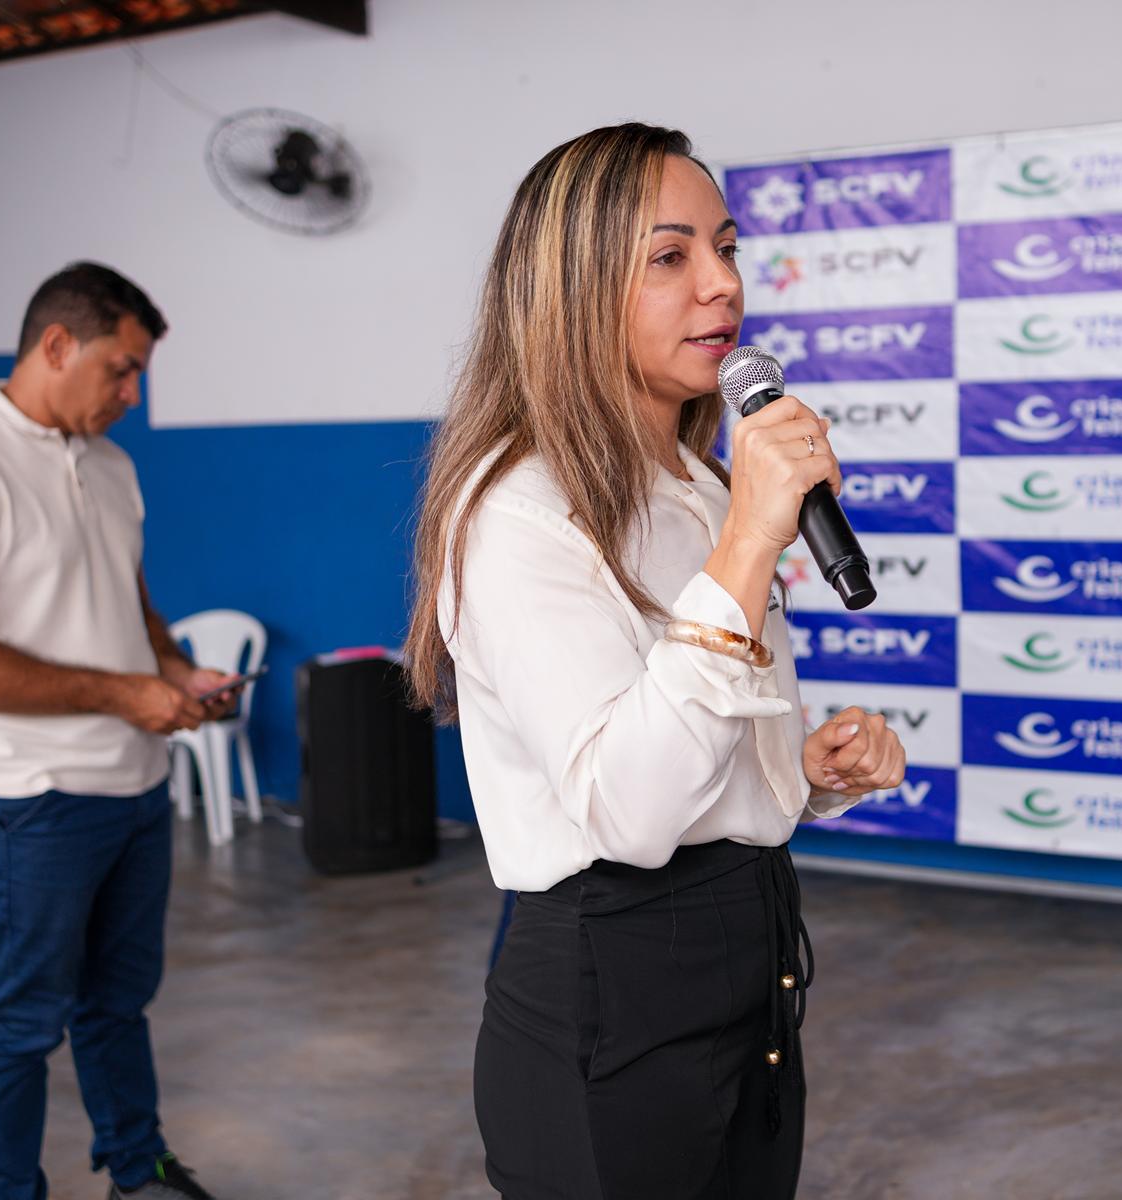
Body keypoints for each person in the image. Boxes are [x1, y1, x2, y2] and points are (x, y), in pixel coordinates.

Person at [404, 123, 908, 1199]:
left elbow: (694, 755)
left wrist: (803, 772)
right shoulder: (518, 511)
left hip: (753, 964)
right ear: (571, 291)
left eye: (725, 247)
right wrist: (750, 542)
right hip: (613, 991)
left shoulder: (705, 486)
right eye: (670, 256)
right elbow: (628, 813)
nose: (722, 284)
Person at [0, 263, 242, 1200]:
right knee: (21, 1024)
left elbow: (128, 602)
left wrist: (175, 672)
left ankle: (138, 1166)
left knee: (118, 1003)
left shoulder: (110, 463)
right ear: (56, 346)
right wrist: (119, 694)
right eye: (120, 369)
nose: (133, 396)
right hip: (32, 798)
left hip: (136, 785)